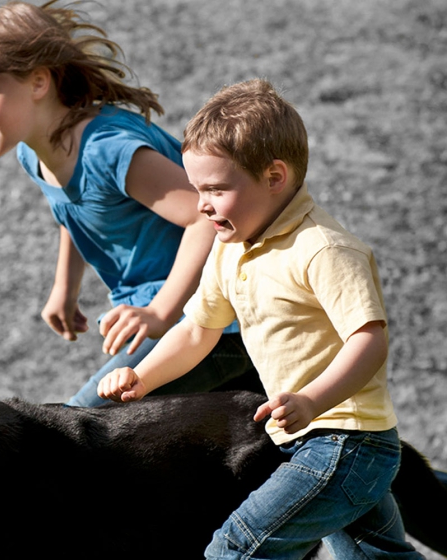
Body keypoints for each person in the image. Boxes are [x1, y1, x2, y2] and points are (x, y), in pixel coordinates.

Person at [97, 78, 422, 559]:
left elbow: (369, 341)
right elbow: (196, 330)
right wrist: (142, 379)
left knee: (236, 550)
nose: (202, 204)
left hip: (347, 442)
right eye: (196, 189)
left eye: (216, 189)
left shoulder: (323, 250)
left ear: (274, 177)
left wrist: (313, 400)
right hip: (308, 439)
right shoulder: (231, 250)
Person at [0, 0, 259, 406]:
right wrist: (65, 288)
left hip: (212, 324)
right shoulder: (35, 151)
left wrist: (160, 311)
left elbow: (205, 218)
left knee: (84, 422)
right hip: (178, 319)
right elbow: (73, 213)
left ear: (39, 83)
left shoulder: (108, 151)